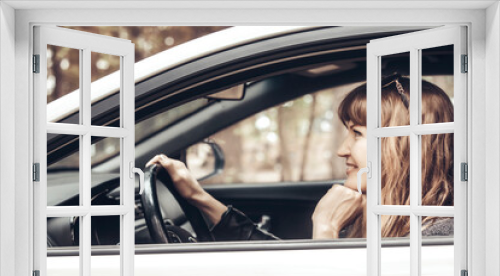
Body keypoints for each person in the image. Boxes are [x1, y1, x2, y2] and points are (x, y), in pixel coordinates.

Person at [146, 75, 454, 241]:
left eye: (357, 134)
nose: (341, 150)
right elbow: (283, 264)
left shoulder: (440, 236)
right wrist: (198, 197)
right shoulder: (377, 213)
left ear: (403, 144)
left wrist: (325, 228)